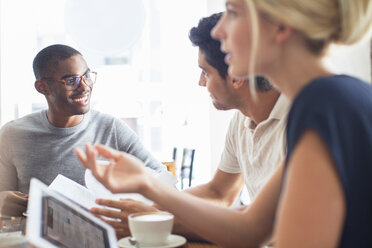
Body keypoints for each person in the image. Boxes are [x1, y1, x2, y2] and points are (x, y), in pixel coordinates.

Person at [76, 0, 372, 246]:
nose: (219, 30)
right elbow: (250, 228)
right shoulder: (334, 99)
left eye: (233, 12)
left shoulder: (323, 105)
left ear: (280, 25)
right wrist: (146, 184)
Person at [85, 12, 289, 241]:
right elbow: (219, 193)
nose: (200, 82)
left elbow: (264, 227)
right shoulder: (241, 120)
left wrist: (158, 220)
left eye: (205, 72)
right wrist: (154, 208)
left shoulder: (299, 125)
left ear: (237, 74)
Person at [0, 44, 166, 216]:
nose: (85, 86)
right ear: (43, 87)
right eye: (72, 81)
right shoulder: (12, 135)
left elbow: (165, 184)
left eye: (86, 75)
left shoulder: (111, 129)